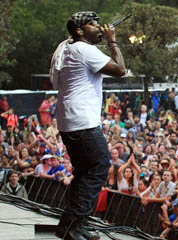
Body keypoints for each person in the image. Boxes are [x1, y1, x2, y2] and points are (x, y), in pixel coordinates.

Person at [52, 11, 125, 240]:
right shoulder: (85, 49)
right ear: (79, 30)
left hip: (69, 119)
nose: (99, 27)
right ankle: (71, 226)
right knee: (98, 169)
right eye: (93, 24)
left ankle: (77, 224)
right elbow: (120, 69)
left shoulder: (65, 47)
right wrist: (112, 40)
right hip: (83, 121)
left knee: (84, 173)